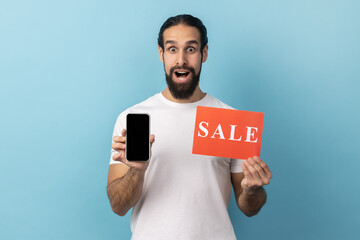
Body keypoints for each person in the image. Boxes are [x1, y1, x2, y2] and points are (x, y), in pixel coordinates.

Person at [107, 14, 272, 240]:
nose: (181, 60)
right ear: (161, 54)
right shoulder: (133, 119)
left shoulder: (230, 120)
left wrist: (254, 189)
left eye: (191, 49)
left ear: (204, 53)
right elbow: (118, 206)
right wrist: (137, 170)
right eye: (172, 49)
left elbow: (248, 207)